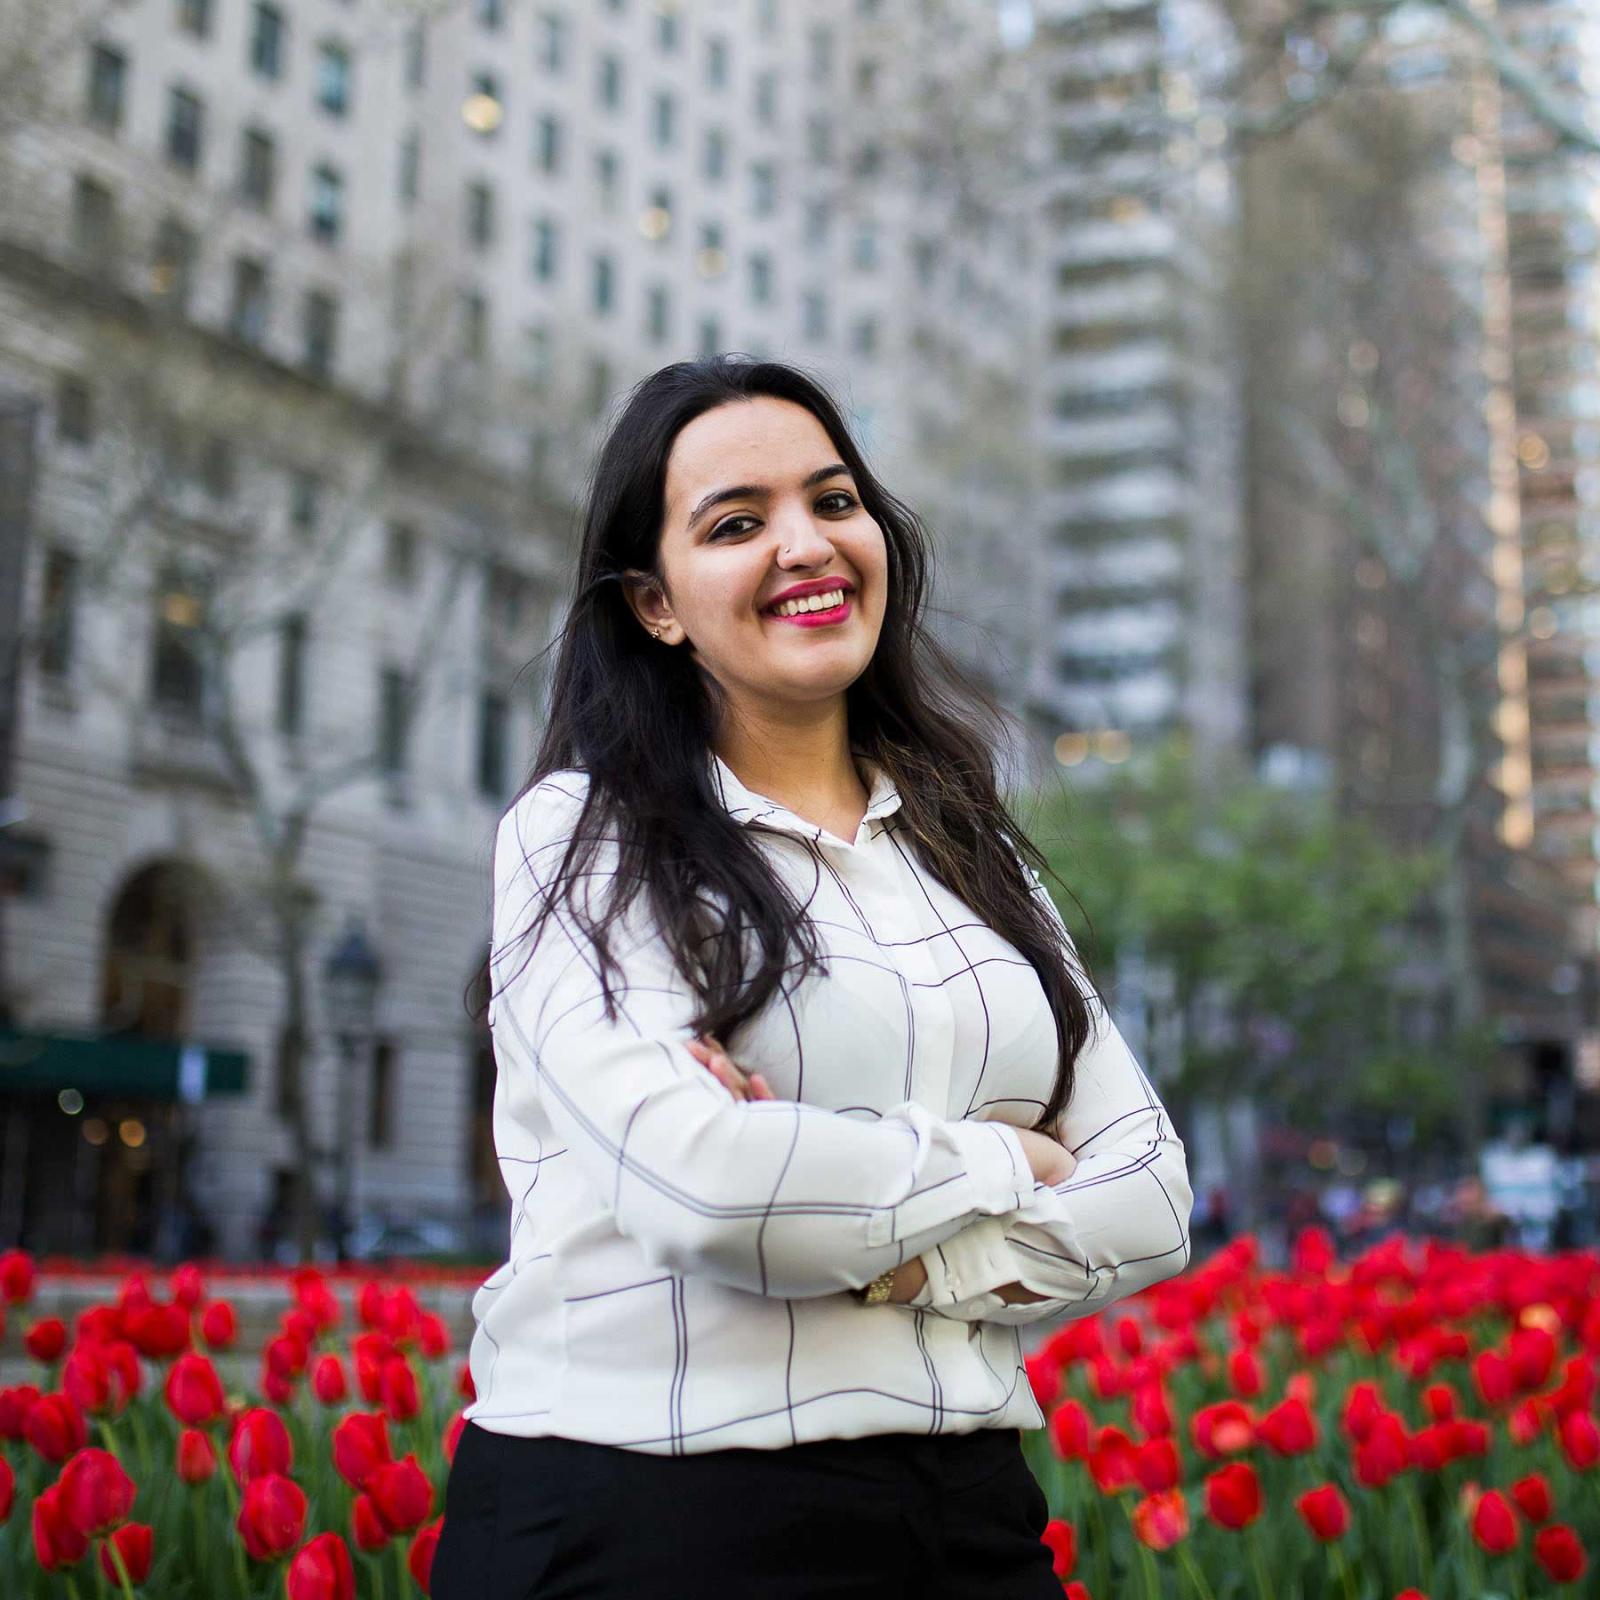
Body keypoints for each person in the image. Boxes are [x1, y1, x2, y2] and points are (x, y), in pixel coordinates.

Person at [433, 356, 1195, 1599]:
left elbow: (1153, 1193)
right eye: (737, 523)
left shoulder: (970, 844)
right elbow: (709, 1194)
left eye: (833, 501)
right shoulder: (585, 834)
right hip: (652, 1517)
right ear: (655, 602)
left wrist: (909, 1256)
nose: (807, 544)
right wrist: (1008, 1160)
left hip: (965, 1509)